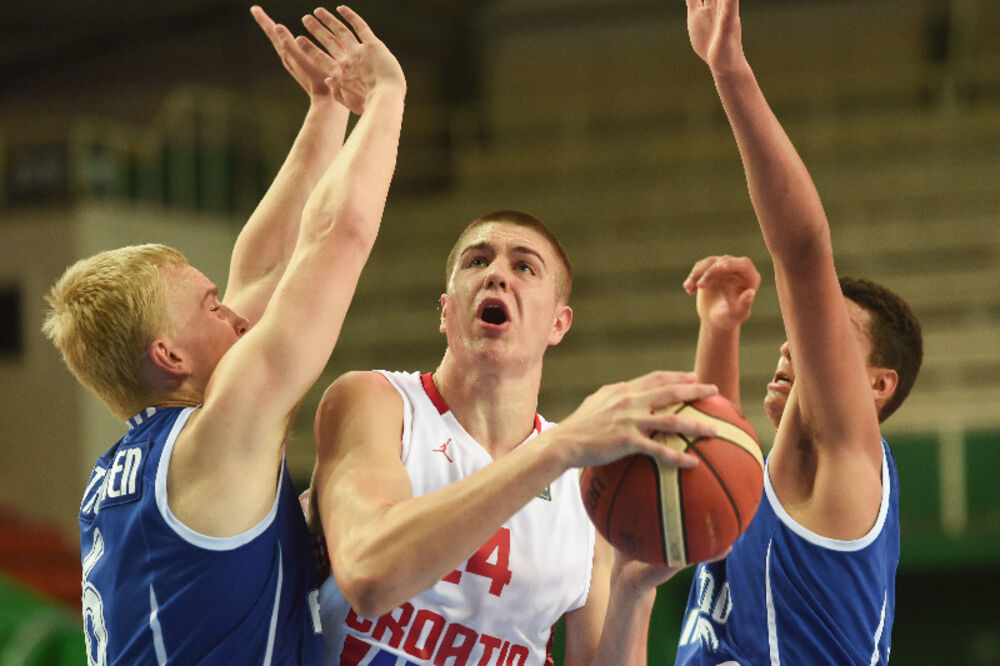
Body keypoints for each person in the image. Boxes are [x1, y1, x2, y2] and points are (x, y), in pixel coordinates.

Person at [41, 6, 406, 663]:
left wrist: (327, 108)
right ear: (169, 355)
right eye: (212, 308)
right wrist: (386, 96)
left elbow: (262, 271)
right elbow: (337, 237)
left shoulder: (128, 470)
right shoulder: (218, 439)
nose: (236, 315)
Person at [310, 208, 725, 665]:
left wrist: (633, 591)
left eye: (525, 267)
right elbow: (369, 578)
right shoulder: (376, 402)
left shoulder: (585, 483)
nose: (496, 275)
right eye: (477, 261)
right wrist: (559, 448)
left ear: (558, 324)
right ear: (445, 311)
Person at [674, 1, 923, 663]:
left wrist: (730, 70)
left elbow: (804, 254)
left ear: (878, 386)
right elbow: (707, 463)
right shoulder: (771, 484)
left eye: (832, 333)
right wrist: (720, 330)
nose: (794, 341)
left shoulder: (849, 459)